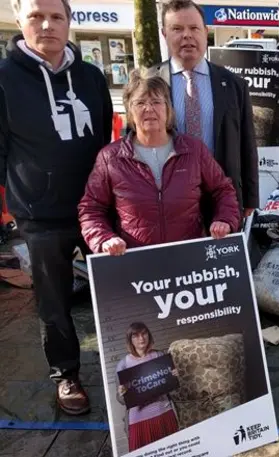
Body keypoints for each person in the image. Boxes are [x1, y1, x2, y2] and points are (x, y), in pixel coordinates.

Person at [0, 0, 113, 415]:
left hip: (97, 210)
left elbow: (104, 142)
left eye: (56, 16)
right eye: (35, 16)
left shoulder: (91, 77)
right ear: (19, 19)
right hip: (40, 216)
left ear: (69, 21)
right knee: (54, 303)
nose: (47, 25)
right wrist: (14, 210)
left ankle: (130, 365)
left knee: (117, 290)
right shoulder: (4, 79)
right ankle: (66, 374)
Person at [78, 71, 241, 255]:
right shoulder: (110, 157)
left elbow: (223, 190)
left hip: (190, 260)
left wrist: (225, 219)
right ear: (129, 111)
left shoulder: (194, 150)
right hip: (136, 263)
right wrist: (105, 239)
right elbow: (91, 209)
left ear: (168, 109)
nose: (149, 109)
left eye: (156, 102)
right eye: (140, 103)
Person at [156, 0, 259, 219]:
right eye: (177, 29)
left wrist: (251, 199)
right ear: (165, 35)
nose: (187, 36)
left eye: (194, 28)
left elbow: (247, 145)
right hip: (167, 202)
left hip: (222, 199)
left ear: (206, 32)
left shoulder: (234, 85)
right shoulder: (149, 83)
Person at [116, 322, 179, 452]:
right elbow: (121, 400)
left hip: (164, 413)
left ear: (149, 335)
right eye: (136, 335)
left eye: (144, 333)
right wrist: (122, 393)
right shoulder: (123, 364)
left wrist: (176, 376)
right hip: (139, 421)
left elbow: (173, 388)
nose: (141, 338)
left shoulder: (159, 356)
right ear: (130, 340)